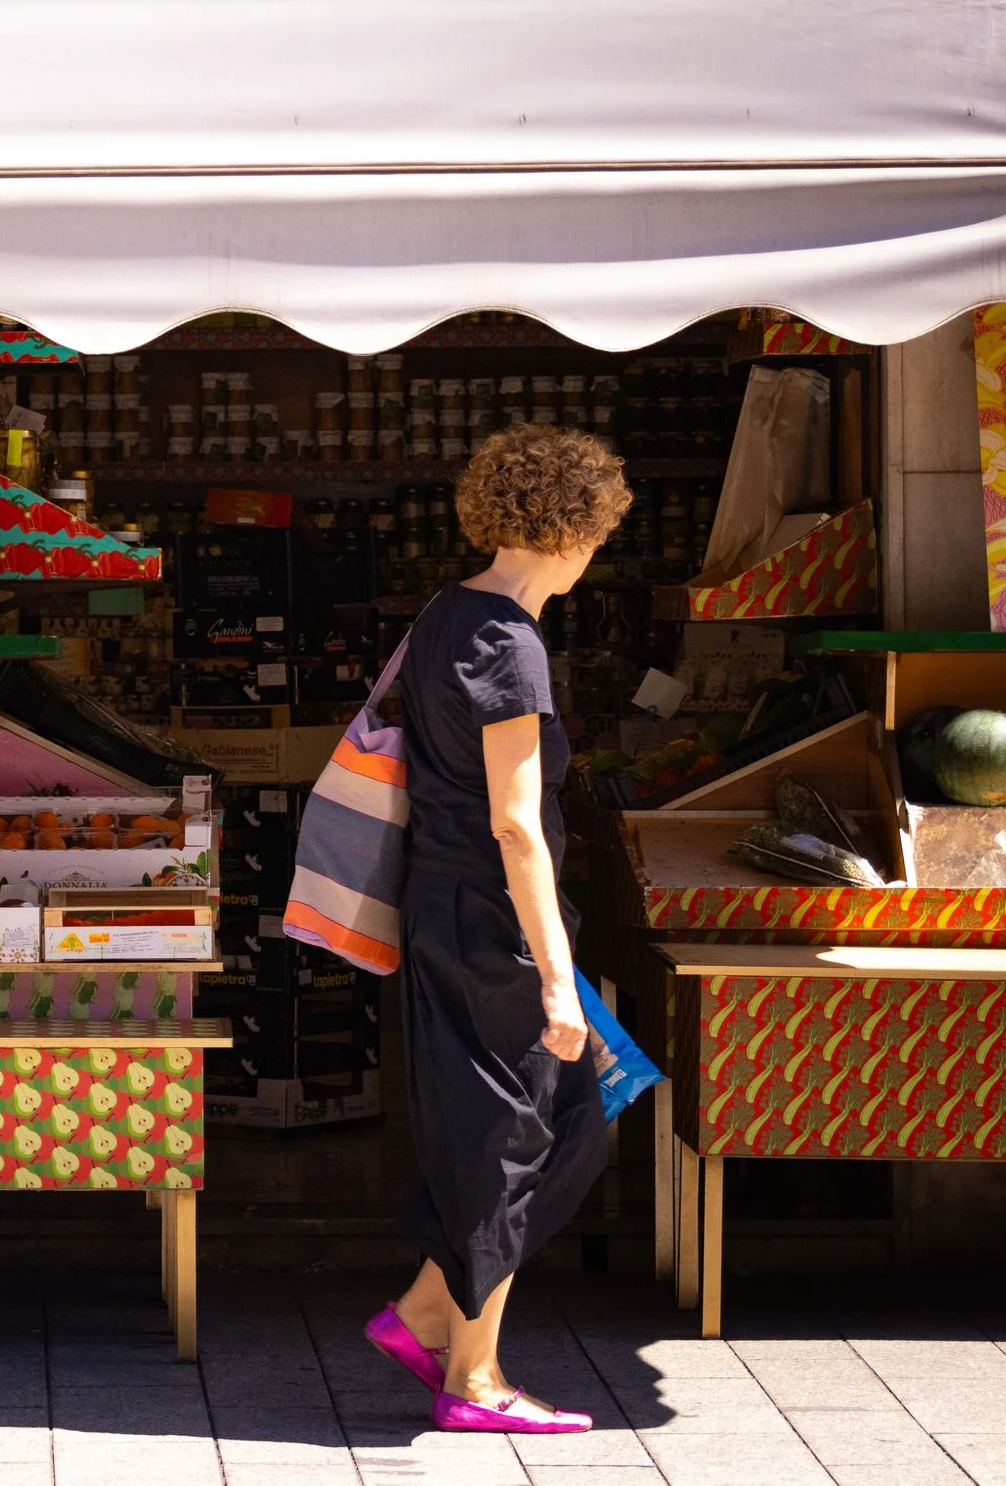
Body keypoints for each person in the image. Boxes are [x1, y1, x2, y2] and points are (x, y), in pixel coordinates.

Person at [361, 425, 632, 1435]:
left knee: (572, 1115)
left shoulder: (449, 614)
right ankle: (470, 1376)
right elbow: (515, 823)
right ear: (571, 526)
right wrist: (559, 982)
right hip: (496, 925)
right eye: (598, 528)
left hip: (454, 909)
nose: (597, 546)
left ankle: (426, 1308)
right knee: (511, 1132)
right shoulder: (507, 644)